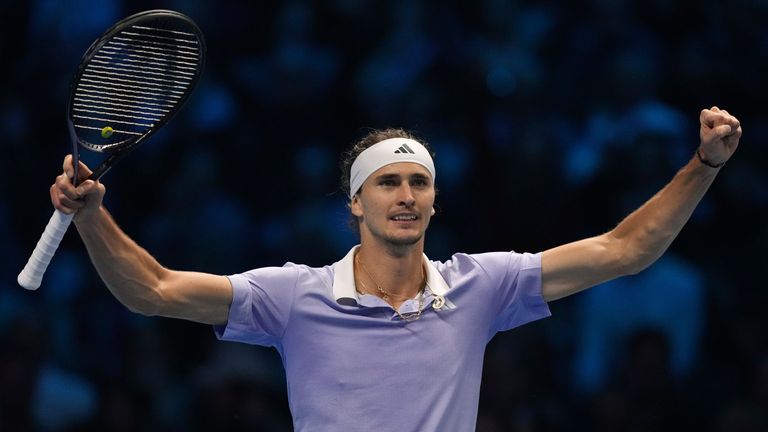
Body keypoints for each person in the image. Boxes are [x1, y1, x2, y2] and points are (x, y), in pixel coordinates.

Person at [50, 107, 742, 431]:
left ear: (435, 202)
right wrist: (91, 217)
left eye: (419, 183)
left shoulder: (482, 285)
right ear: (356, 202)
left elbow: (626, 249)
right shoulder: (294, 295)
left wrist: (703, 165)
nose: (406, 196)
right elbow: (154, 290)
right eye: (388, 182)